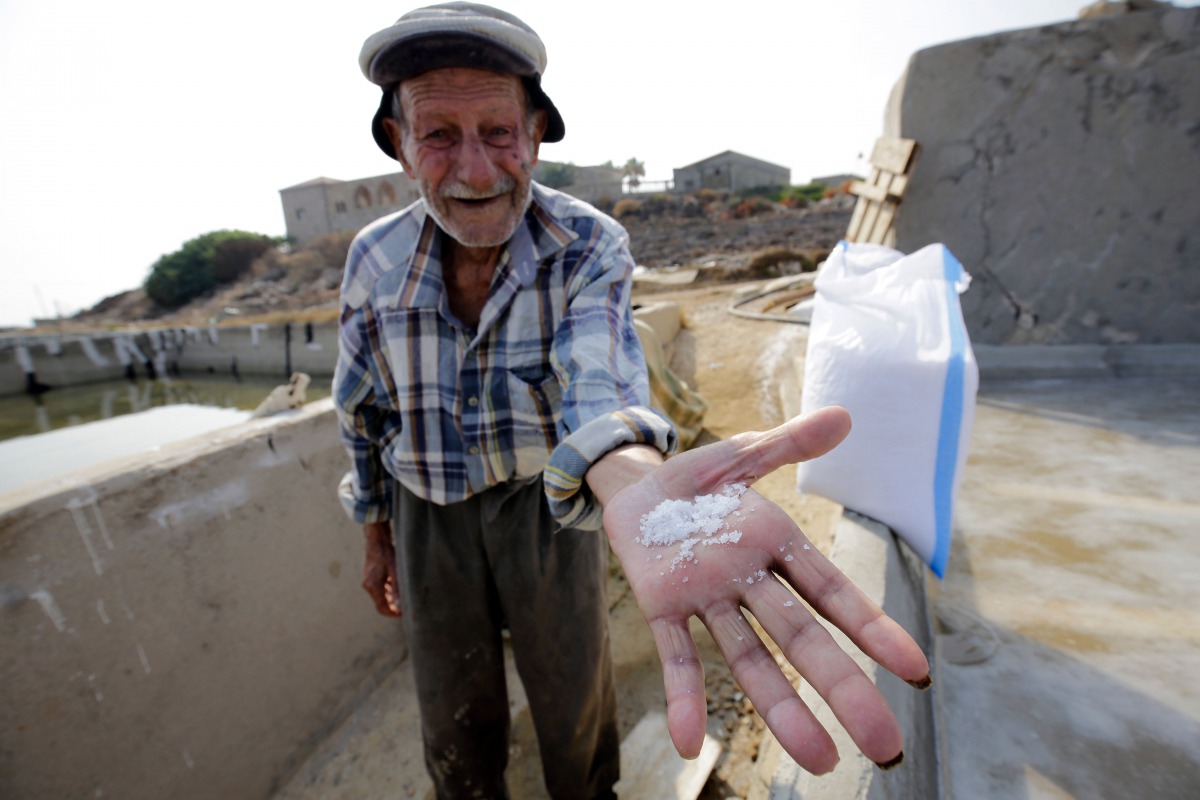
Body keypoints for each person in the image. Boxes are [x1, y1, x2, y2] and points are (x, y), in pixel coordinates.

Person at [333, 4, 931, 798]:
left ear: (537, 134)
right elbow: (361, 412)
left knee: (571, 687)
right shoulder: (371, 260)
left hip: (546, 507)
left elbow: (600, 384)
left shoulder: (587, 244)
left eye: (499, 132)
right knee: (449, 706)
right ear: (399, 146)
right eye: (438, 135)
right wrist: (377, 535)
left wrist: (638, 487)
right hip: (423, 507)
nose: (475, 170)